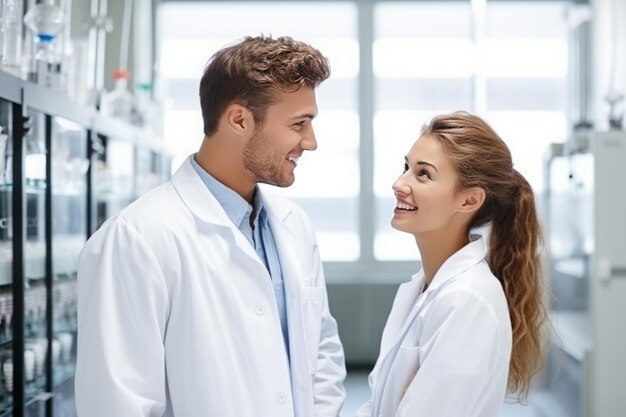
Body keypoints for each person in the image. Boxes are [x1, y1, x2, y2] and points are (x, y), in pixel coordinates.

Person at [75, 35, 346, 417]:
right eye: (299, 124)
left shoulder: (293, 226)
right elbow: (118, 402)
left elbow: (322, 357)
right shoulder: (137, 239)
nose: (311, 142)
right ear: (239, 119)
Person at [357, 112, 548, 417]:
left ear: (469, 201)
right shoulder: (425, 287)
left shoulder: (467, 300)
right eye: (407, 167)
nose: (399, 183)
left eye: (423, 174)